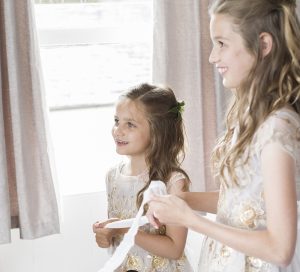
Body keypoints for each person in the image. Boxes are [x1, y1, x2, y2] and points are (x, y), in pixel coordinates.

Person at [146, 0, 300, 271]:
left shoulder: (277, 130)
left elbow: (280, 248)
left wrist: (191, 220)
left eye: (222, 43)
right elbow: (240, 202)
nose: (212, 57)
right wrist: (182, 201)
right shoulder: (250, 117)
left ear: (263, 45)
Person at [92, 83, 193, 271]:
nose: (118, 130)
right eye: (116, 121)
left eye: (130, 124)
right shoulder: (112, 177)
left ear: (157, 131)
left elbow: (174, 249)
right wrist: (105, 234)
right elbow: (115, 240)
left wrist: (123, 229)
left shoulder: (173, 182)